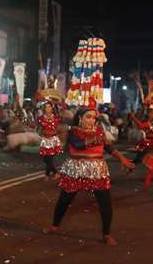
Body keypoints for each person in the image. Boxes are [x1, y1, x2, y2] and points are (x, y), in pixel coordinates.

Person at [43, 99, 134, 245]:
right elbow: (78, 145)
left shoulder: (99, 131)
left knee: (105, 202)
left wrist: (122, 158)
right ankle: (55, 226)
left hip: (96, 170)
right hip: (76, 168)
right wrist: (96, 138)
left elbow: (109, 148)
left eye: (94, 117)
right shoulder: (73, 131)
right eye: (88, 117)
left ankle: (106, 234)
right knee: (65, 200)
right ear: (80, 117)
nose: (92, 120)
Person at [37, 101, 63, 181]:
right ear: (44, 109)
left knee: (50, 158)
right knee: (45, 159)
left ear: (52, 108)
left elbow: (58, 128)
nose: (48, 109)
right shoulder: (41, 118)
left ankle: (48, 174)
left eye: (49, 107)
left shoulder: (56, 118)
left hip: (53, 140)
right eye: (46, 107)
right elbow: (39, 129)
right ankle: (55, 173)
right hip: (45, 140)